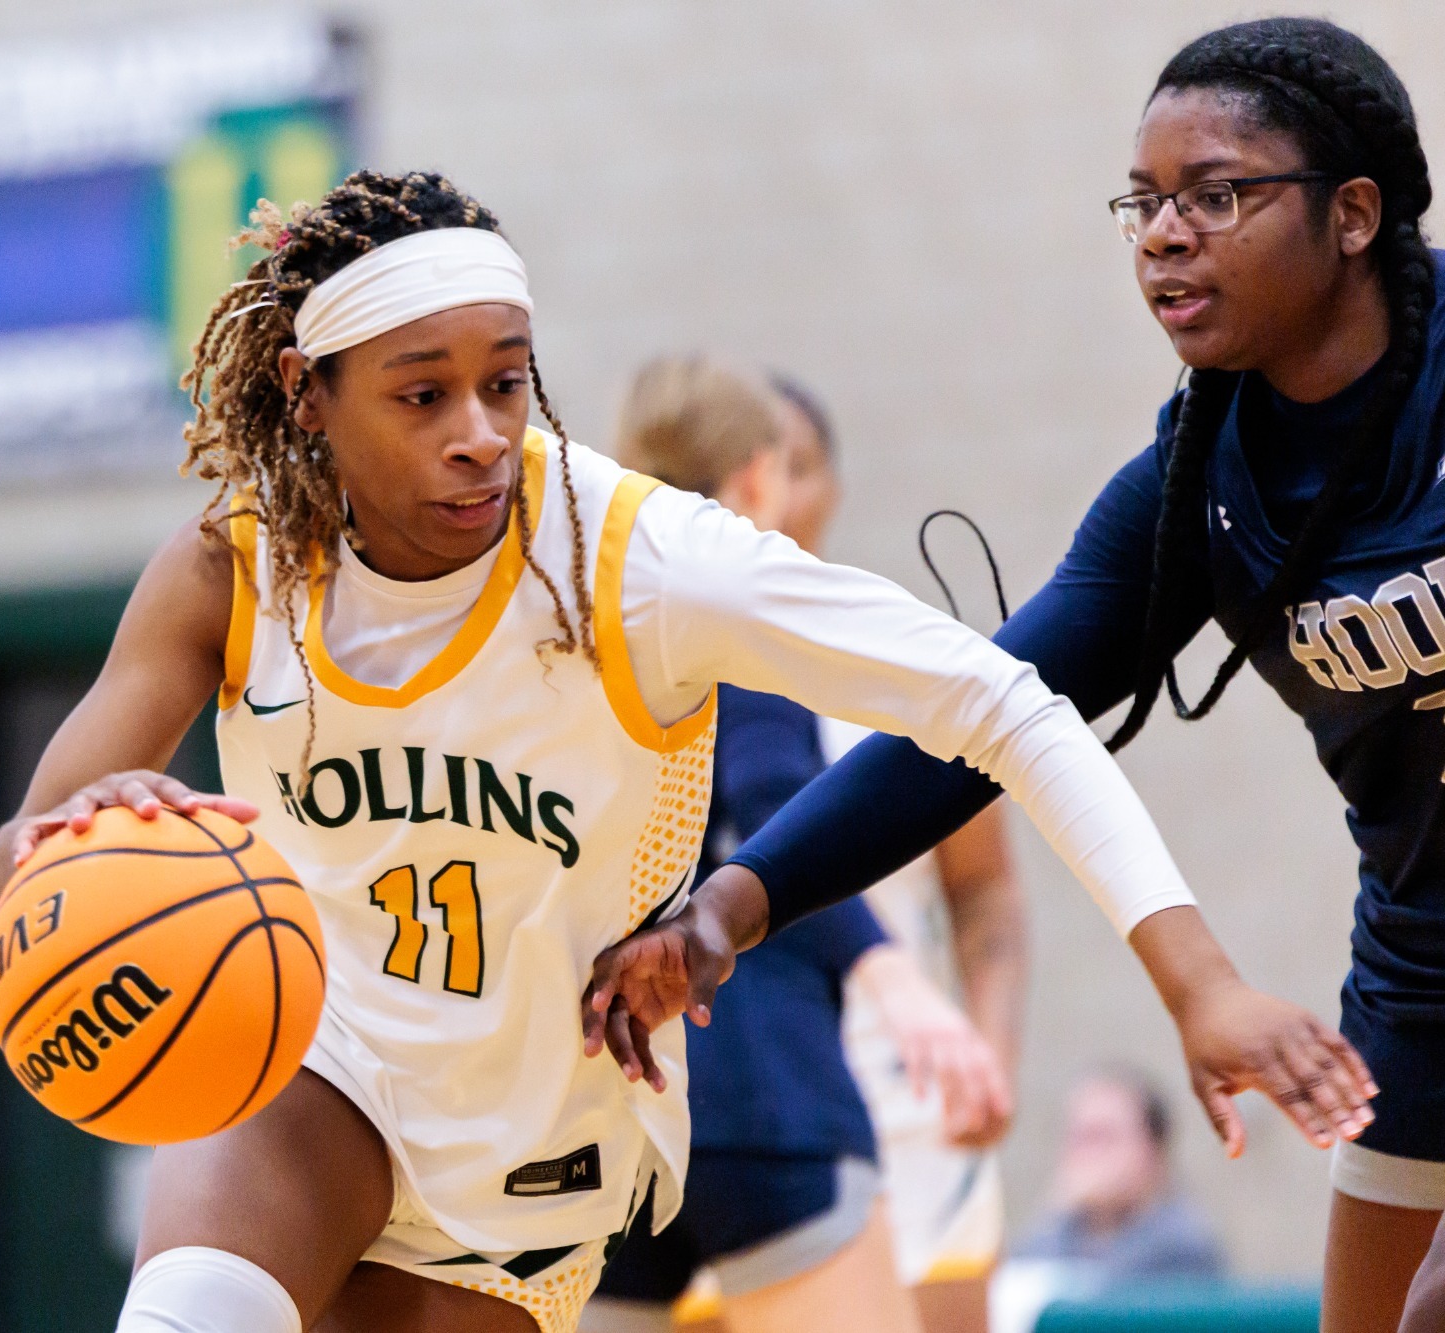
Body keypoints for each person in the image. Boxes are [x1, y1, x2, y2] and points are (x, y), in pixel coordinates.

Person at [0, 168, 1360, 1333]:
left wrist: (1197, 977)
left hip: (536, 1136)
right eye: (422, 395)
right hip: (314, 1066)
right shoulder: (232, 569)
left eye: (506, 383)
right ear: (308, 391)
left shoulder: (635, 555)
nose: (479, 435)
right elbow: (14, 882)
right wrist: (86, 856)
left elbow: (1004, 700)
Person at [585, 17, 1438, 1333]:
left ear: (1355, 214)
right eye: (1143, 202)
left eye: (1216, 195)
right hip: (1422, 970)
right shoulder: (1197, 486)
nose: (1164, 233)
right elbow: (967, 720)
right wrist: (727, 913)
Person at [581, 359, 1013, 1333]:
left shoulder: (578, 634)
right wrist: (895, 982)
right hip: (770, 1091)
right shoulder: (739, 625)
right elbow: (775, 804)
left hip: (602, 1101)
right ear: (752, 484)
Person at [1011, 1067, 1224, 1286]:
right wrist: (1053, 1213)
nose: (1087, 1155)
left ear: (1153, 1149)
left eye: (1101, 1137)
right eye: (1078, 1138)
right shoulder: (1059, 1232)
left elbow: (1107, 1298)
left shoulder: (1184, 1246)